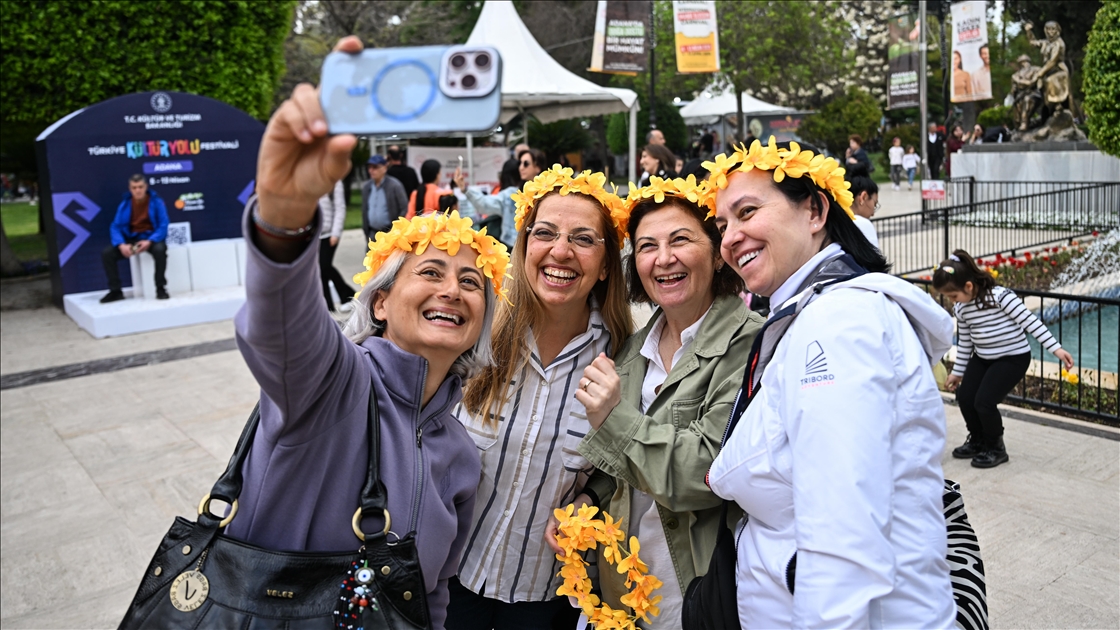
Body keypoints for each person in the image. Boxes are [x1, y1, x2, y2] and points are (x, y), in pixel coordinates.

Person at [227, 35, 511, 629]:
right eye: (430, 272)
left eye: (471, 282)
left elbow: (427, 596)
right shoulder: (333, 385)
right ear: (380, 301)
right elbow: (279, 328)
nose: (452, 291)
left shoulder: (460, 458)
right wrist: (281, 222)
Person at [704, 138, 957, 628]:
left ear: (815, 211)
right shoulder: (810, 315)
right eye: (721, 225)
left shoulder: (838, 323)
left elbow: (843, 545)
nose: (731, 237)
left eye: (748, 211)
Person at [550, 177, 763, 628]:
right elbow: (623, 467)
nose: (663, 259)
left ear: (716, 250)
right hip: (625, 595)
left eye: (680, 240)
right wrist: (589, 499)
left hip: (695, 594)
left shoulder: (750, 346)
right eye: (647, 246)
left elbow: (707, 473)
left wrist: (614, 415)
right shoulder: (633, 350)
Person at [448, 166, 634, 630]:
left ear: (607, 262)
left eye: (583, 239)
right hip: (444, 581)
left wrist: (590, 496)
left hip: (544, 597)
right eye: (545, 233)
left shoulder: (626, 361)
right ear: (525, 245)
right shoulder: (472, 333)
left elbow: (623, 470)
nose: (560, 251)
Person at [933, 251, 1074, 469]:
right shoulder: (962, 308)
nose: (952, 301)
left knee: (984, 402)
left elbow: (1030, 322)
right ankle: (978, 439)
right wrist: (958, 372)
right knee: (966, 396)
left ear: (969, 286)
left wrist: (1056, 349)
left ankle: (996, 448)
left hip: (1012, 358)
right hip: (984, 357)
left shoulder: (1001, 297)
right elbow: (966, 343)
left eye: (953, 296)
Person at [100, 175, 170, 303]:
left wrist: (150, 241)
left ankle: (160, 288)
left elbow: (163, 225)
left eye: (140, 187)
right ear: (130, 189)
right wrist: (121, 244)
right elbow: (115, 226)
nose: (138, 190)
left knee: (160, 250)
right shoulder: (125, 204)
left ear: (146, 187)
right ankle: (115, 291)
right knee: (107, 253)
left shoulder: (156, 202)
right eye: (134, 187)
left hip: (150, 238)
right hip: (131, 239)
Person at [456, 157, 521, 248]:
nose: (523, 168)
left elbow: (484, 204)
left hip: (511, 243)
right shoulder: (534, 191)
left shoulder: (510, 194)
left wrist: (465, 190)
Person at [317, 179, 356, 312]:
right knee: (320, 270)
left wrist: (336, 233)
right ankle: (327, 305)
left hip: (328, 234)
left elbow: (340, 208)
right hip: (313, 234)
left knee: (324, 266)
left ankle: (348, 295)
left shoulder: (334, 181)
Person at [1025, 21, 1071, 119]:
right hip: (1047, 71)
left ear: (1057, 30)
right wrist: (1029, 31)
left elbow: (1053, 61)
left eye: (1053, 29)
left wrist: (1039, 74)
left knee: (1050, 82)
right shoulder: (1045, 42)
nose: (1050, 32)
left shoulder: (1059, 44)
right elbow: (1033, 43)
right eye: (1048, 29)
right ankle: (1046, 112)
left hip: (1059, 71)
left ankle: (1058, 106)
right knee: (1039, 87)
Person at [361, 154, 409, 242]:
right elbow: (365, 210)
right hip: (373, 233)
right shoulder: (367, 187)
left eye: (375, 167)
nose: (371, 170)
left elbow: (404, 208)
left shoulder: (395, 185)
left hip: (389, 233)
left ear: (384, 168)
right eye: (369, 167)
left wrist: (395, 229)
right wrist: (366, 230)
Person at [846, 163, 880, 249]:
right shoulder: (862, 224)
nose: (873, 214)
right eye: (874, 204)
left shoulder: (832, 221)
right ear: (863, 197)